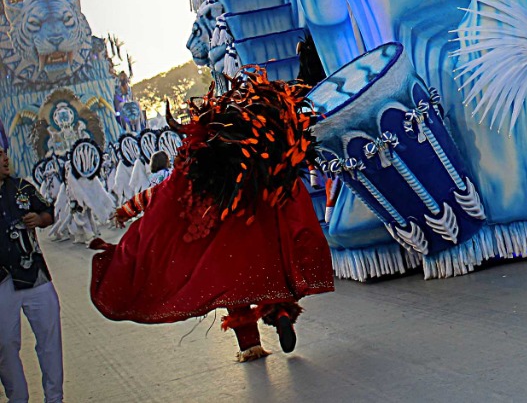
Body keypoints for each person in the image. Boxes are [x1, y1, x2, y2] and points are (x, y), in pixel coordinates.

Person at [89, 71, 334, 363]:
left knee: (234, 295)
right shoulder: (254, 159)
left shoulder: (198, 161)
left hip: (224, 247)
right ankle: (281, 313)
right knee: (270, 281)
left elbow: (166, 193)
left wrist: (127, 210)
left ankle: (250, 345)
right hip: (258, 234)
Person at [0, 147, 63, 403]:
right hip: (2, 283)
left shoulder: (22, 188)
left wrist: (39, 218)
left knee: (50, 339)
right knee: (5, 346)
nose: (6, 158)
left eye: (5, 153)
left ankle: (54, 398)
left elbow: (49, 212)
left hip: (35, 276)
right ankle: (18, 398)